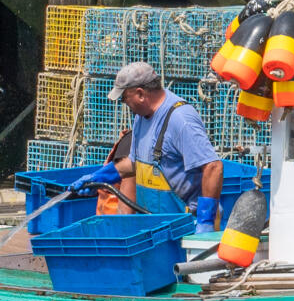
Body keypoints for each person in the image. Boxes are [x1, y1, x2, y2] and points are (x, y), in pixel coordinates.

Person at [93, 61, 226, 226]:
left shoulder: (180, 119)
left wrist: (205, 220)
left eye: (125, 98)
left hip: (186, 226)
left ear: (141, 94)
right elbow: (136, 164)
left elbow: (213, 167)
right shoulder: (140, 118)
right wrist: (100, 176)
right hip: (158, 227)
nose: (124, 104)